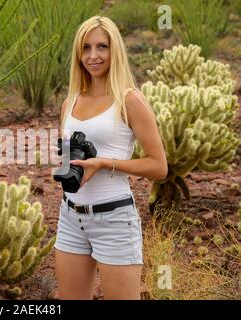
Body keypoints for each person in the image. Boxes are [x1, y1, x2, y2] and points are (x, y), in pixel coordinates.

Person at [54, 16, 168, 300]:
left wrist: (105, 162)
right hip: (70, 217)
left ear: (114, 50)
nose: (93, 56)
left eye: (102, 47)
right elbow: (68, 157)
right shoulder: (70, 102)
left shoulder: (129, 100)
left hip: (114, 220)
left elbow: (159, 166)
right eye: (86, 48)